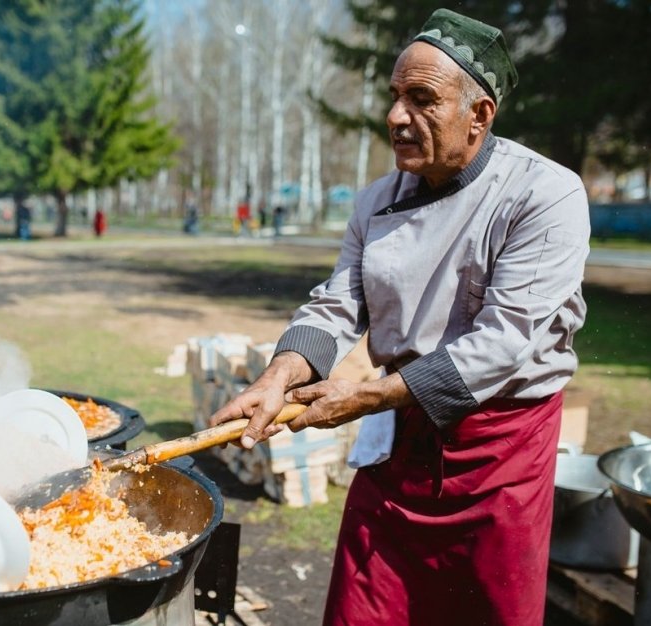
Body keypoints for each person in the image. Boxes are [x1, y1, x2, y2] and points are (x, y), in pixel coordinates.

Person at [209, 8, 590, 626]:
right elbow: (337, 303)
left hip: (498, 452)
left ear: (480, 115)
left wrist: (364, 397)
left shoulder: (544, 195)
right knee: (367, 608)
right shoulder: (376, 199)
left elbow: (504, 342)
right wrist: (277, 375)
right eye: (394, 97)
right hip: (401, 441)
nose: (395, 118)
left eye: (421, 99)